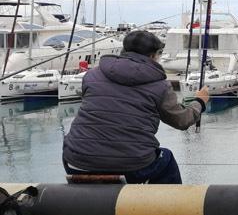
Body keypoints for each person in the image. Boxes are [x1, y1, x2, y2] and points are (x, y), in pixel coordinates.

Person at [63, 30, 209, 184]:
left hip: (75, 162)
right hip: (132, 166)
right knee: (166, 159)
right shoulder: (160, 85)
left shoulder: (92, 76)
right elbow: (181, 121)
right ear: (152, 56)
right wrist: (199, 102)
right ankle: (170, 200)